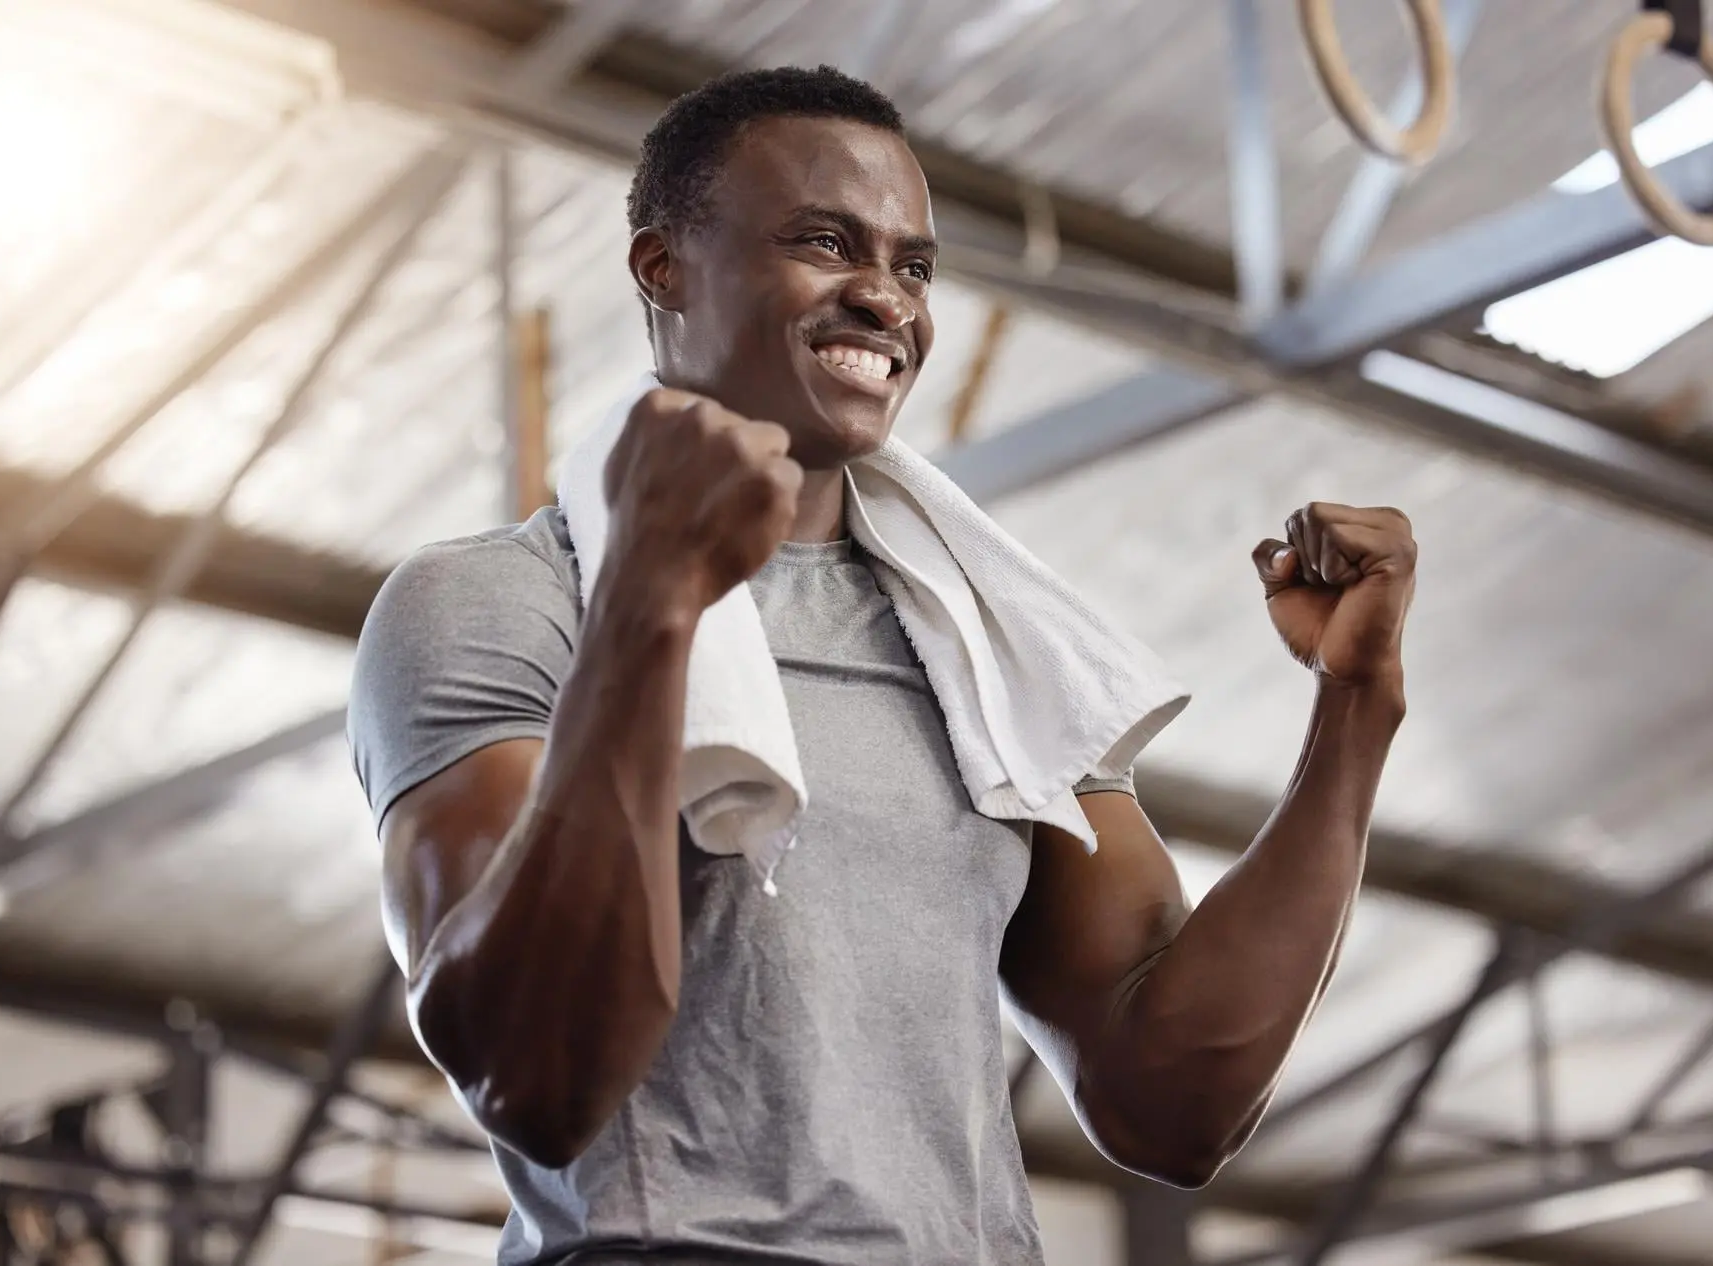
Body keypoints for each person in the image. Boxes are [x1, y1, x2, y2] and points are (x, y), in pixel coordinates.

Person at [349, 65, 1417, 1266]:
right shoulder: (504, 601)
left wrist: (1353, 706)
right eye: (822, 241)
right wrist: (651, 596)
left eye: (912, 266)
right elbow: (533, 1074)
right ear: (664, 268)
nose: (881, 297)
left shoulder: (976, 645)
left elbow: (1171, 1098)